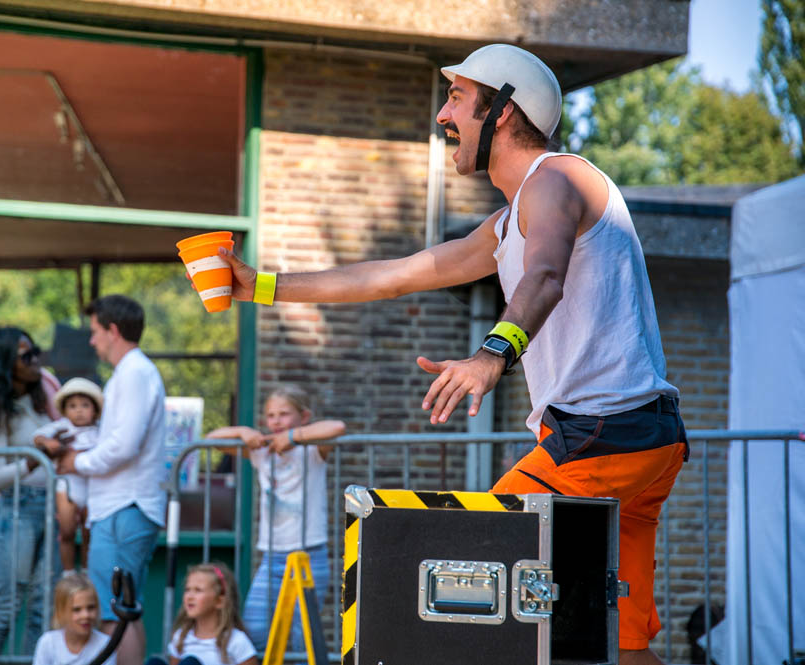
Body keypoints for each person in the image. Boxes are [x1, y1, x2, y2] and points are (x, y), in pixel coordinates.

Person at [213, 44, 687, 665]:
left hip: (601, 436)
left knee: (480, 573)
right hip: (639, 437)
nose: (443, 115)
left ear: (504, 111)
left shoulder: (558, 178)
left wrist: (491, 356)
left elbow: (545, 278)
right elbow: (395, 275)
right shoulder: (506, 223)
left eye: (458, 98)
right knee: (618, 648)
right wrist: (261, 287)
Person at [55, 295, 166, 665]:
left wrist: (77, 462)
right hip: (122, 506)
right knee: (120, 607)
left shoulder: (134, 373)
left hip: (125, 505)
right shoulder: (132, 373)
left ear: (113, 331)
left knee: (116, 610)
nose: (91, 340)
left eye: (95, 331)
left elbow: (124, 444)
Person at [205, 385, 345, 652]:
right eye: (270, 415)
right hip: (272, 558)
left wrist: (293, 437)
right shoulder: (261, 451)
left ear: (304, 417)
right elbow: (212, 439)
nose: (276, 421)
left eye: (284, 414)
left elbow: (337, 427)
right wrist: (242, 432)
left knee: (303, 638)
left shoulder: (312, 451)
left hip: (309, 555)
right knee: (254, 631)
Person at [0, 327, 62, 656]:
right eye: (26, 356)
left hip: (53, 506)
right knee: (7, 604)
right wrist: (34, 460)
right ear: (6, 362)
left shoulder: (45, 396)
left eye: (35, 352)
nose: (35, 360)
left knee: (43, 606)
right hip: (18, 507)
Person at [33, 377, 103, 574]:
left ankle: (87, 572)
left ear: (95, 409)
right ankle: (69, 573)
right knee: (67, 531)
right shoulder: (62, 427)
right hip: (68, 486)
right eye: (72, 406)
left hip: (93, 488)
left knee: (89, 534)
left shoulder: (100, 430)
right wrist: (49, 443)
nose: (79, 410)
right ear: (64, 410)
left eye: (85, 405)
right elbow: (37, 437)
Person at [146, 563, 256, 665]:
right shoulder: (181, 637)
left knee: (190, 662)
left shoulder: (236, 640)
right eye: (187, 590)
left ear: (220, 601)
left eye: (198, 590)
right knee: (154, 662)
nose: (189, 596)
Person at [32, 574, 110, 665]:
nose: (85, 615)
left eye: (91, 607)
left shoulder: (105, 644)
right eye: (76, 609)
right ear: (61, 612)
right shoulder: (48, 643)